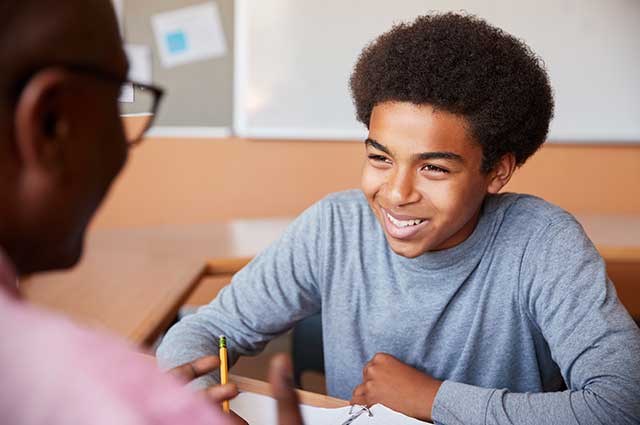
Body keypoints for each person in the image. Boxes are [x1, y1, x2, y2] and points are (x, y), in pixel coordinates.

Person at [157, 12, 640, 425]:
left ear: (496, 171)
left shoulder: (542, 242)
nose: (396, 192)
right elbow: (207, 330)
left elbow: (623, 404)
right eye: (381, 158)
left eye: (433, 167)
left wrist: (432, 399)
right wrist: (197, 402)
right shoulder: (334, 228)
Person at [0, 1, 303, 424]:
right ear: (52, 122)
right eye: (120, 97)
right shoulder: (108, 399)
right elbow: (207, 327)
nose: (128, 144)